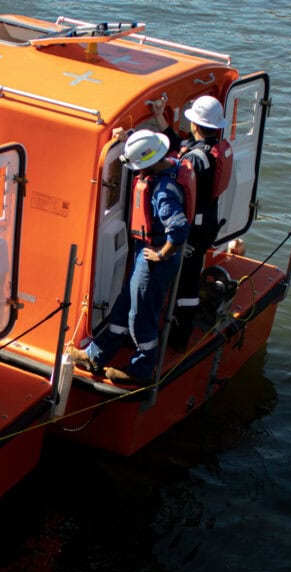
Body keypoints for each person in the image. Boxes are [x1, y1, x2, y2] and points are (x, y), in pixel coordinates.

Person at [68, 130, 191, 385]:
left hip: (154, 259)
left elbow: (179, 230)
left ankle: (141, 369)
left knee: (141, 314)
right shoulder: (169, 163)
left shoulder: (164, 192)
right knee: (124, 306)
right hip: (144, 255)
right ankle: (96, 355)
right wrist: (130, 137)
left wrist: (161, 254)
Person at [151, 94, 233, 350]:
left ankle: (179, 337)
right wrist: (159, 117)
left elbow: (176, 166)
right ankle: (179, 325)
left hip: (194, 232)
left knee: (186, 283)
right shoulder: (214, 148)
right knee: (189, 276)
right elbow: (180, 145)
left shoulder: (197, 159)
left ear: (195, 125)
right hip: (206, 224)